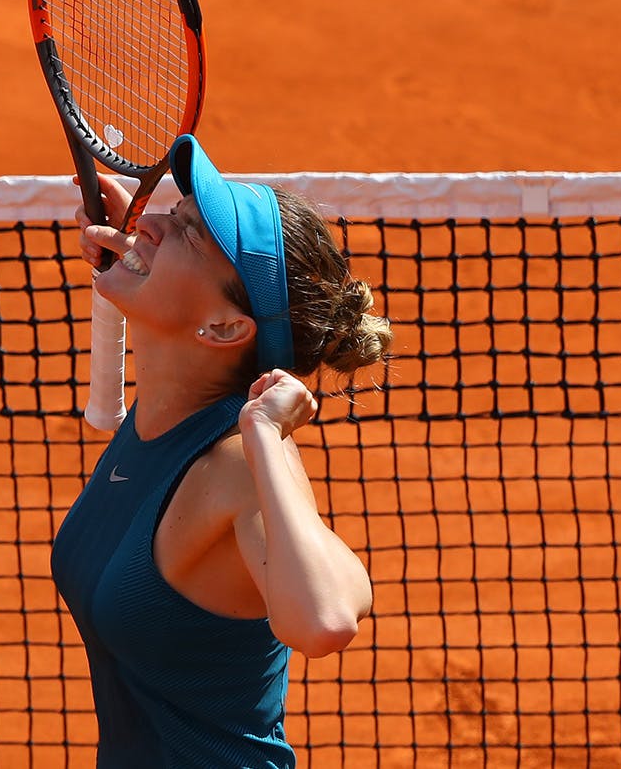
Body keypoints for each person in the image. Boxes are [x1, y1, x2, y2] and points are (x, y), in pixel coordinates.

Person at [51, 134, 392, 767]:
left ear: (226, 329)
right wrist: (140, 253)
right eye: (171, 215)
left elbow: (326, 619)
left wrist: (266, 436)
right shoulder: (161, 416)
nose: (148, 222)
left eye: (185, 232)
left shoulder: (237, 462)